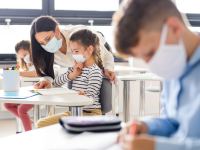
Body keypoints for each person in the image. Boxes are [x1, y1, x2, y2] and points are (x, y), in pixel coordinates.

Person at [112, 0, 200, 150]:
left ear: (174, 28)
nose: (151, 64)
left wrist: (157, 146)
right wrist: (146, 126)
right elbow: (174, 123)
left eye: (151, 52)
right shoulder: (175, 65)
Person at [34, 29, 103, 128]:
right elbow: (55, 83)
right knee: (43, 122)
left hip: (90, 113)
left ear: (90, 49)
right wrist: (72, 74)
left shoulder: (95, 71)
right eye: (72, 51)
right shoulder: (74, 68)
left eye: (76, 51)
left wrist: (84, 96)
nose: (74, 55)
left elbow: (90, 99)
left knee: (42, 124)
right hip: (75, 111)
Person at [30, 15, 115, 84]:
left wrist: (108, 68)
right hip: (79, 68)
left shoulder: (77, 37)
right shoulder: (46, 50)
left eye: (48, 39)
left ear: (57, 30)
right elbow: (48, 74)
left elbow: (107, 55)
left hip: (99, 46)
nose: (46, 45)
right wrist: (46, 80)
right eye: (41, 43)